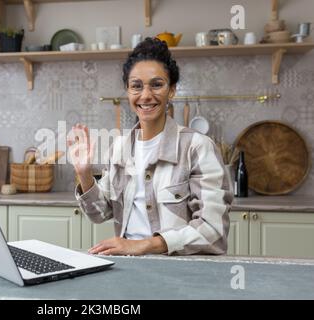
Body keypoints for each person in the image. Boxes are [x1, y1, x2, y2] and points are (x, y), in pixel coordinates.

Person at [67, 37, 233, 256]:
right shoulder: (119, 148)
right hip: (129, 268)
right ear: (128, 91)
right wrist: (84, 174)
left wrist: (144, 245)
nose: (146, 95)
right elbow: (99, 213)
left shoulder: (197, 147)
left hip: (182, 272)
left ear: (172, 90)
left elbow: (213, 230)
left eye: (157, 85)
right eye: (136, 86)